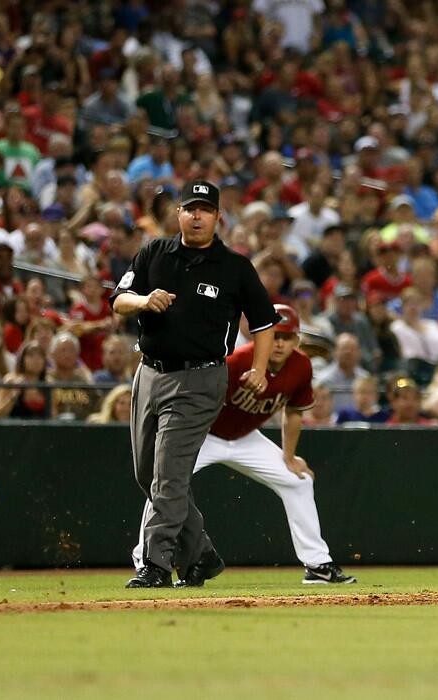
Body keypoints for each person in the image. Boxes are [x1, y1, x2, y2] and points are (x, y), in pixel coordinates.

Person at [111, 179, 279, 588]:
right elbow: (118, 300)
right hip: (148, 372)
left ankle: (155, 563)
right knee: (146, 473)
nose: (197, 215)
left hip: (200, 378)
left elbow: (264, 323)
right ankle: (200, 555)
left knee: (168, 475)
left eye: (205, 209)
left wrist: (258, 368)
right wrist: (144, 300)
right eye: (190, 208)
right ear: (178, 214)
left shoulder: (234, 267)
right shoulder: (154, 252)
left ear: (218, 216)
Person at [131, 305, 355, 584]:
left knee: (298, 481)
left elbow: (294, 412)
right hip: (204, 435)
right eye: (274, 335)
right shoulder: (238, 360)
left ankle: (318, 564)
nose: (280, 343)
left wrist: (289, 456)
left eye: (287, 337)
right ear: (261, 336)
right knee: (165, 484)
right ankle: (145, 560)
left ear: (298, 340)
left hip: (246, 438)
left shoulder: (301, 365)